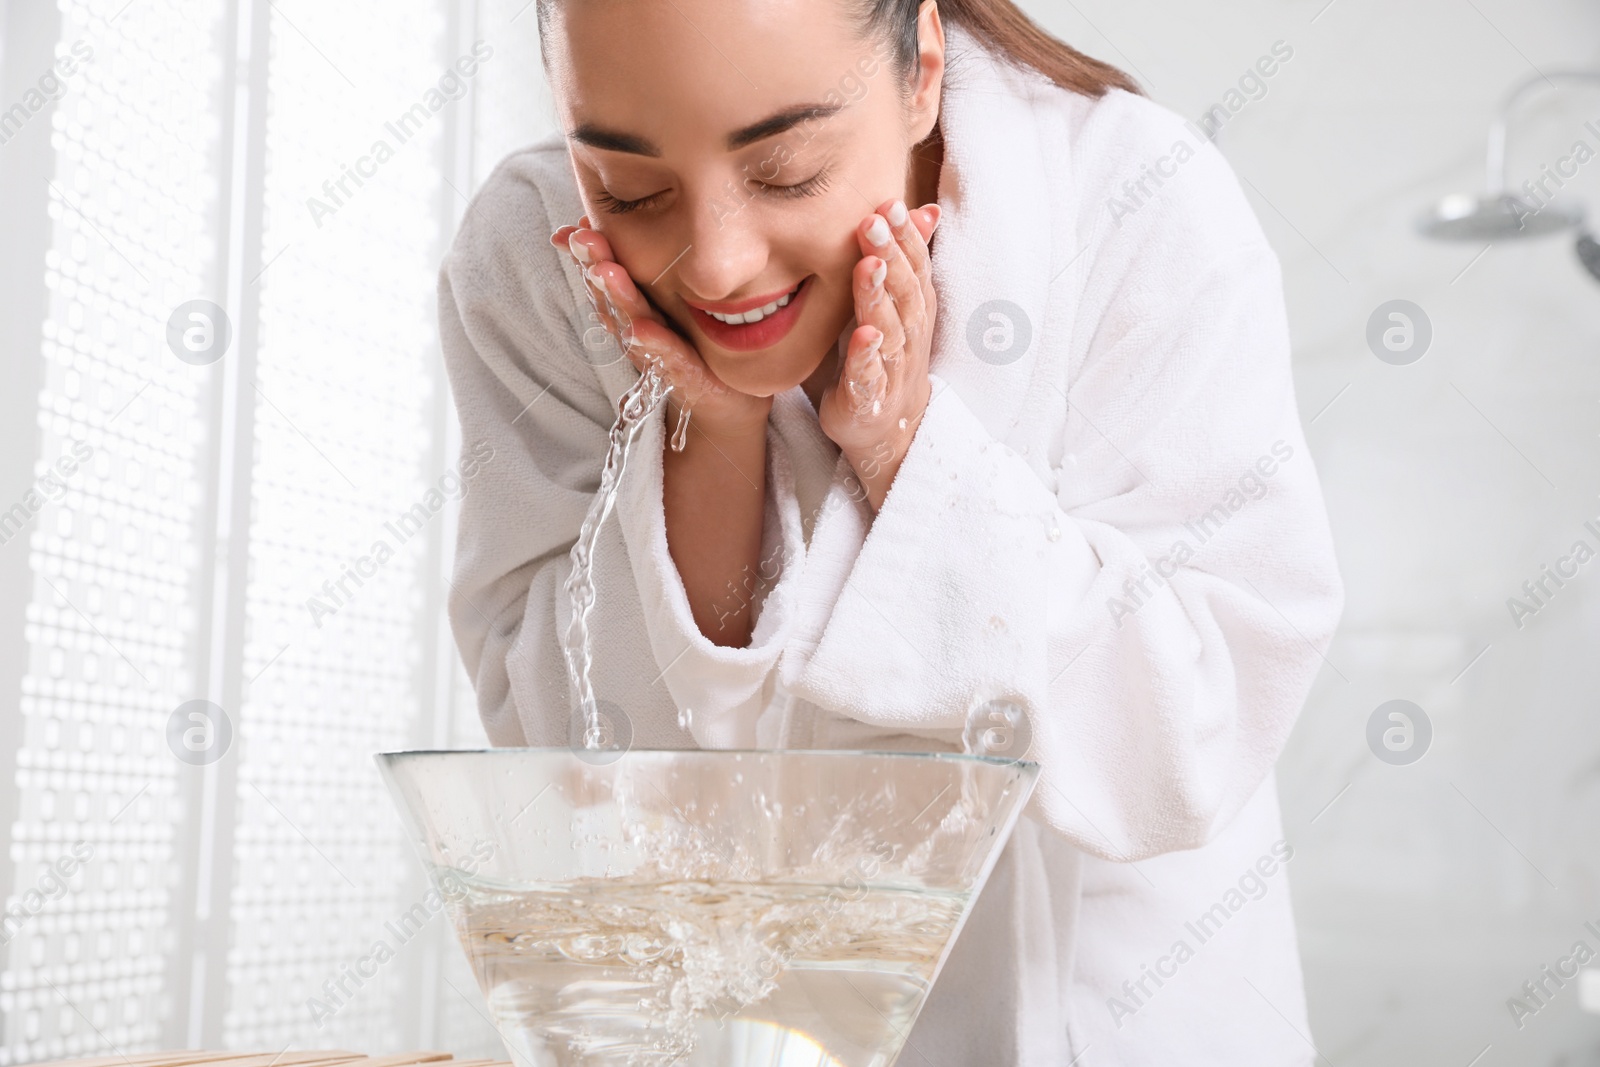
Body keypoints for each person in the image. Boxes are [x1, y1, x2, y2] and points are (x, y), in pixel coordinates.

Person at [436, 0, 1345, 1062]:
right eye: (631, 187)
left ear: (920, 68)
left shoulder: (1134, 200)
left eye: (786, 170)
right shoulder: (531, 252)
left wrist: (908, 453)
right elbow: (577, 772)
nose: (718, 264)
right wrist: (708, 446)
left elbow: (1192, 728)